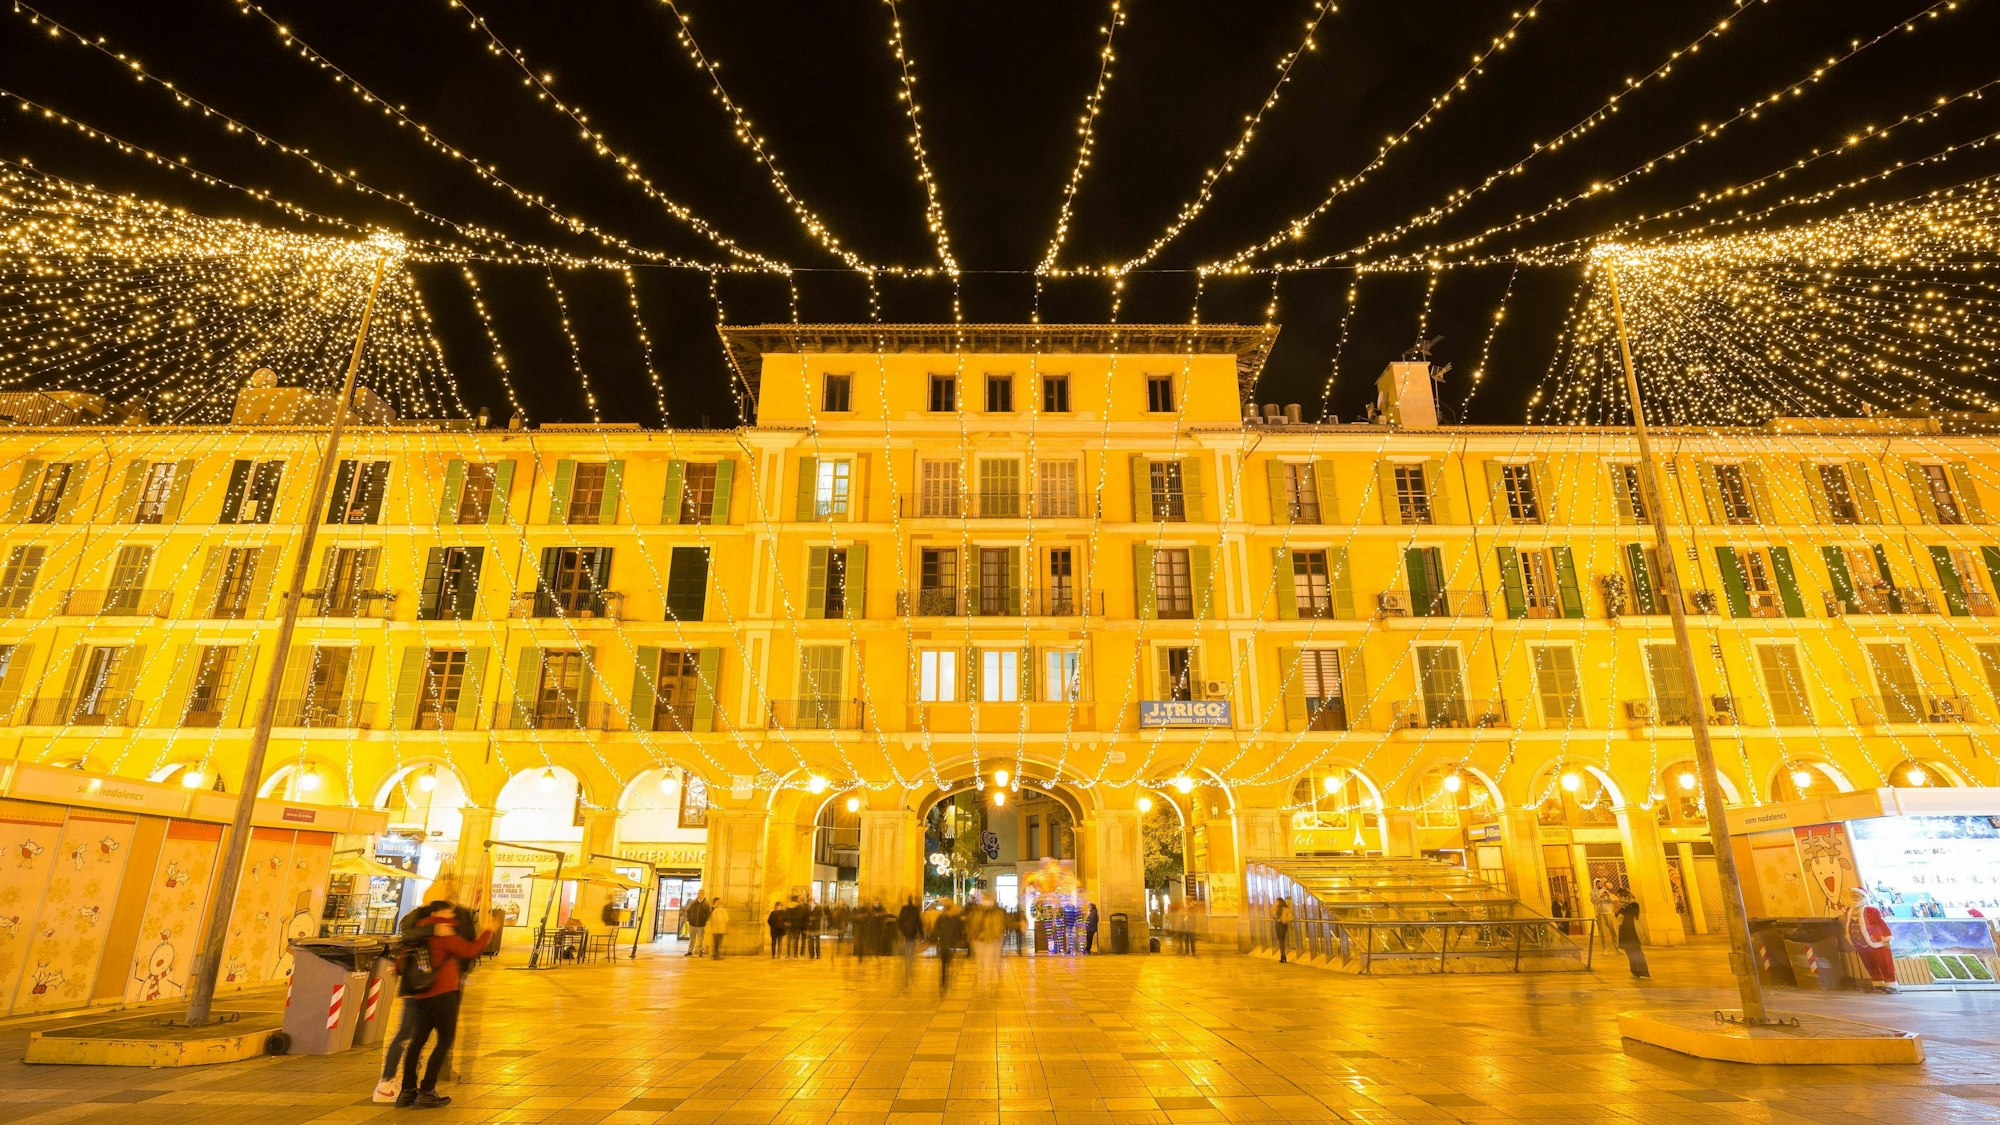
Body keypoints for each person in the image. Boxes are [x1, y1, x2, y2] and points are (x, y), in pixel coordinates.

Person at [394, 898, 492, 1108]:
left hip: (420, 996)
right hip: (443, 994)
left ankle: (407, 1090)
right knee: (444, 1040)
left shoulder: (415, 934)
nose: (452, 915)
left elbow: (399, 966)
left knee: (417, 1042)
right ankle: (427, 1090)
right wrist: (488, 931)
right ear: (438, 913)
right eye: (449, 912)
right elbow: (470, 951)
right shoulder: (444, 932)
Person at [1844, 887, 1896, 990]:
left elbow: (1881, 923)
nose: (1854, 897)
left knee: (1884, 963)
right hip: (1859, 943)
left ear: (1863, 897)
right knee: (1869, 964)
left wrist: (1886, 938)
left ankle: (1891, 984)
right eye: (1852, 895)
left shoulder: (1871, 910)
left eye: (1857, 895)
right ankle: (1878, 982)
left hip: (1875, 942)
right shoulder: (1848, 911)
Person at [966, 893, 1004, 993]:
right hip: (980, 941)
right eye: (984, 899)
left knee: (987, 963)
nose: (986, 901)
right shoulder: (978, 912)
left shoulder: (995, 913)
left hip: (990, 941)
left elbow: (999, 926)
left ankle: (986, 984)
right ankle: (982, 984)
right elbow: (972, 925)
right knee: (981, 964)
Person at [934, 899, 965, 995]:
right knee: (947, 963)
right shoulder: (955, 917)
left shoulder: (942, 917)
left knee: (944, 964)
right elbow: (961, 928)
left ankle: (944, 982)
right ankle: (945, 981)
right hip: (950, 944)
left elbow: (936, 928)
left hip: (945, 943)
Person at [1616, 890, 1650, 979]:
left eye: (1620, 896)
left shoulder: (1634, 905)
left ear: (1625, 896)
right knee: (1629, 952)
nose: (1618, 898)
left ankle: (1644, 972)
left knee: (1637, 952)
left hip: (1633, 931)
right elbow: (1617, 916)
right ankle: (1635, 972)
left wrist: (1622, 908)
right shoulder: (1621, 906)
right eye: (1618, 896)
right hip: (1624, 931)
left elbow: (1632, 915)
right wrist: (1619, 908)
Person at [896, 896, 923, 992]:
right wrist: (921, 934)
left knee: (906, 949)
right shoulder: (915, 909)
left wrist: (902, 930)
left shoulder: (904, 909)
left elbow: (899, 921)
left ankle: (907, 964)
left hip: (905, 934)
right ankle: (909, 965)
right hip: (912, 934)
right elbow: (919, 922)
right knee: (910, 950)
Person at [1590, 878, 1618, 947]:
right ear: (1595, 885)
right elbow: (1593, 901)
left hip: (1609, 913)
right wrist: (1600, 897)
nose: (1599, 885)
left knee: (1614, 931)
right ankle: (1605, 948)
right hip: (1600, 914)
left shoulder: (1605, 891)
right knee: (1602, 932)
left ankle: (1617, 947)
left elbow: (1611, 901)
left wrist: (1608, 895)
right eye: (1598, 884)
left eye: (1600, 884)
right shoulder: (1592, 892)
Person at [1272, 898, 1294, 963]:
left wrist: (1283, 919)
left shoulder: (1286, 909)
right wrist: (1275, 917)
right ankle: (1283, 956)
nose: (1275, 903)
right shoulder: (1275, 909)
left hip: (1283, 925)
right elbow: (1273, 914)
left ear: (1280, 902)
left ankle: (1283, 956)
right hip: (1277, 925)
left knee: (1281, 940)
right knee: (1280, 940)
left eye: (1277, 901)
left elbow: (1291, 917)